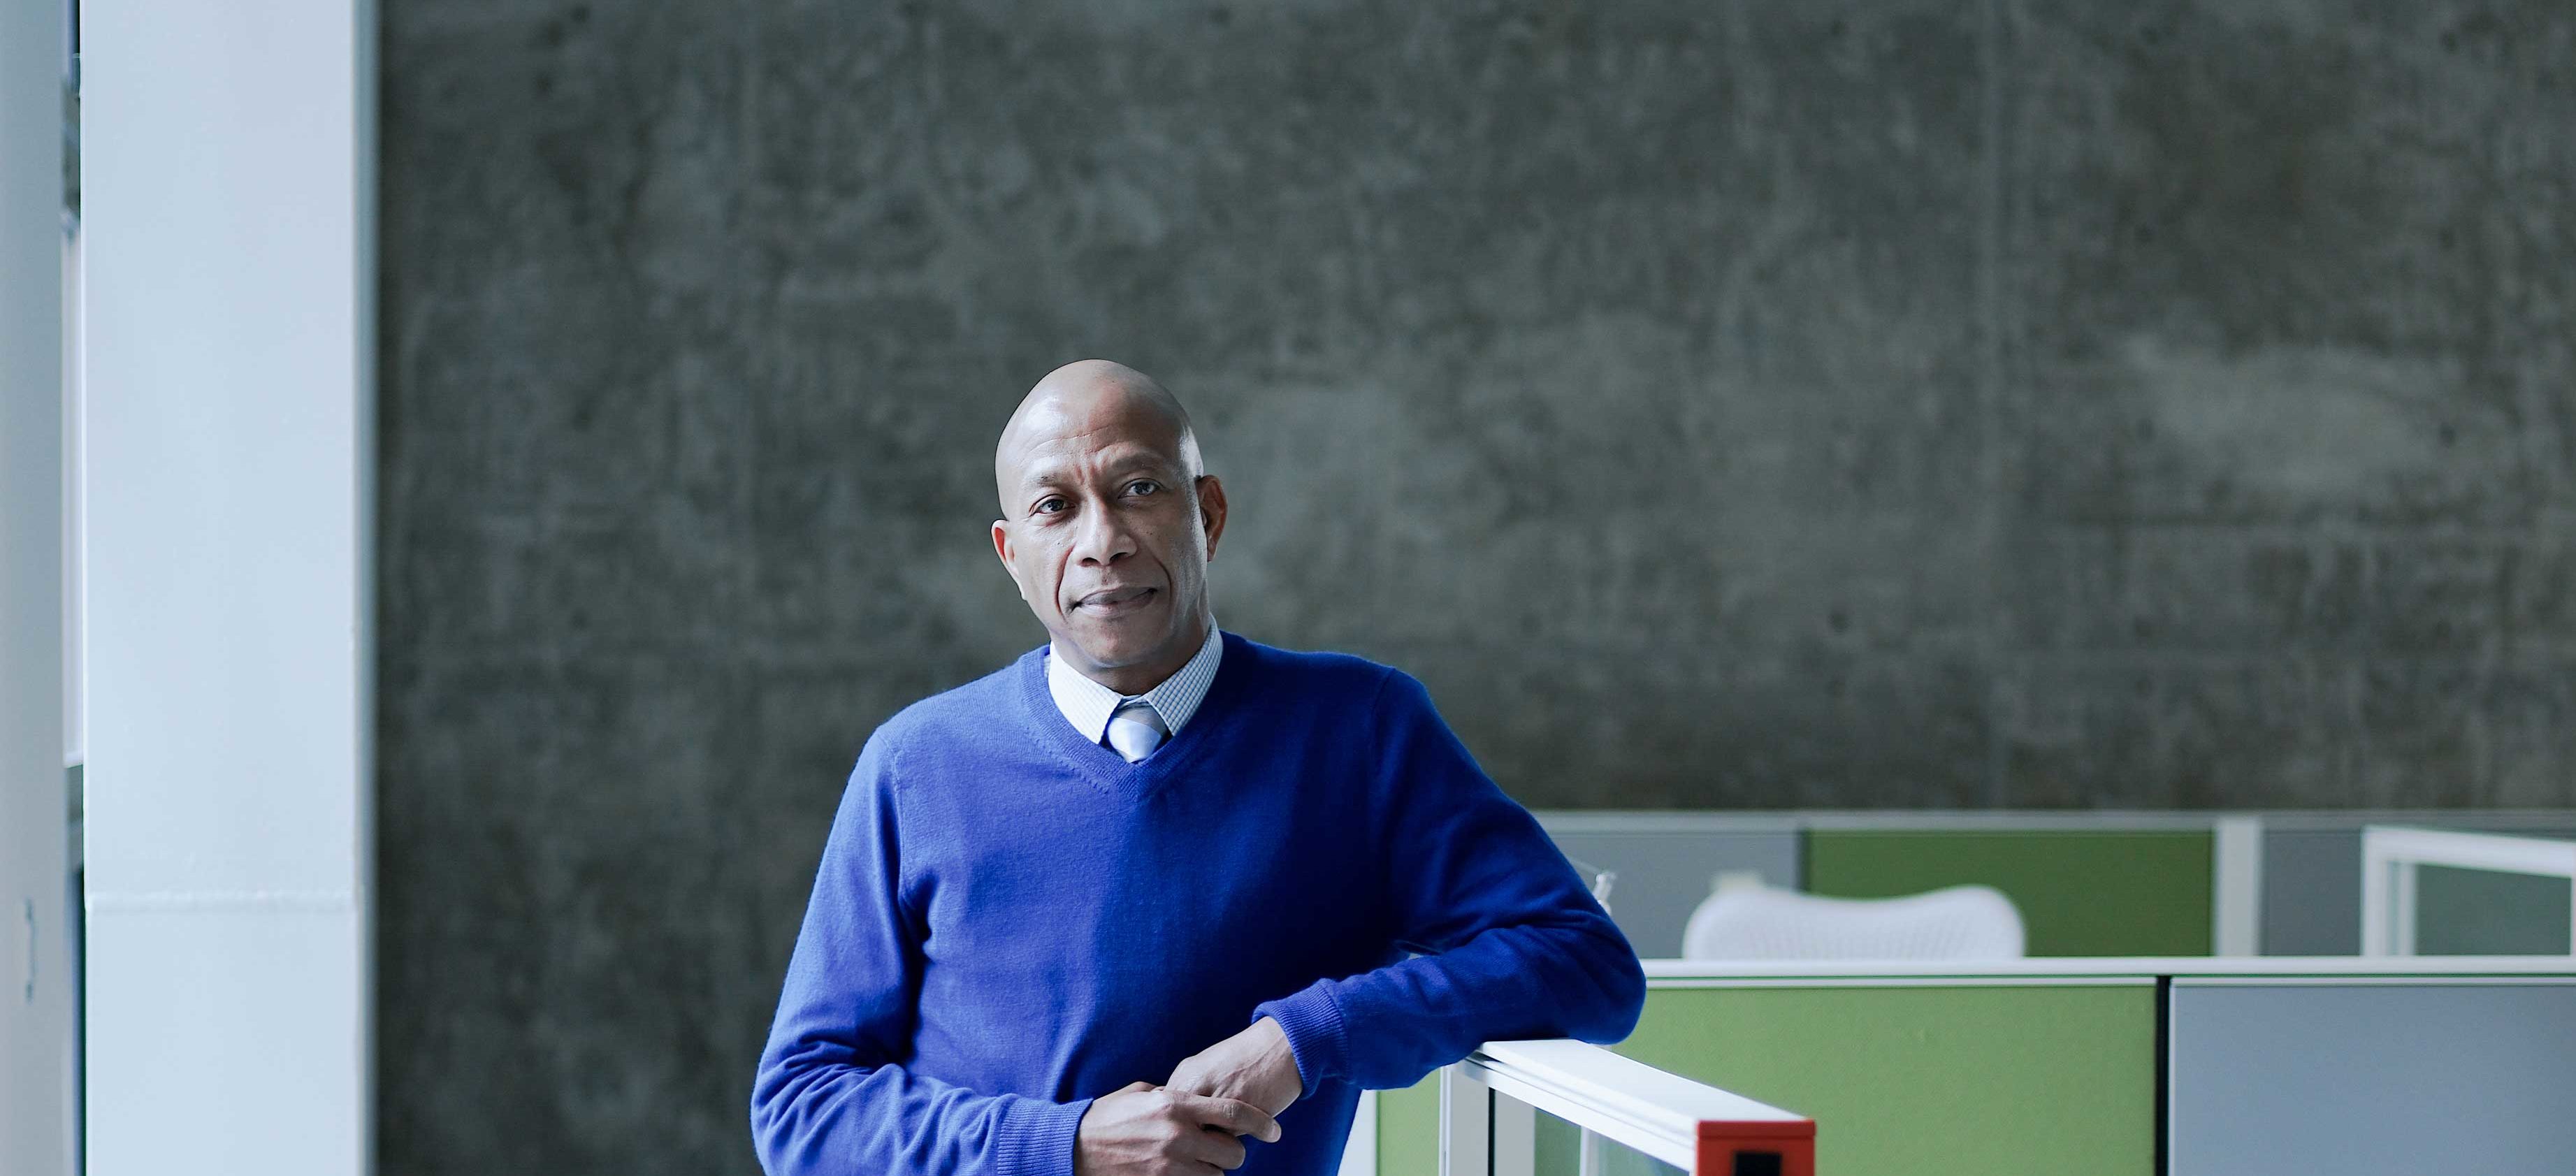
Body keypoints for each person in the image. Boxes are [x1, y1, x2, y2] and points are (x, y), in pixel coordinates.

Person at [751, 360, 1644, 1176]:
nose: (1102, 541)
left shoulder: (1358, 730)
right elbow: (801, 1107)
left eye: (1137, 489)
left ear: (1207, 514)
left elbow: (1582, 966)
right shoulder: (915, 764)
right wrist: (1059, 1146)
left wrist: (1305, 1038)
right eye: (1054, 507)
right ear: (1010, 556)